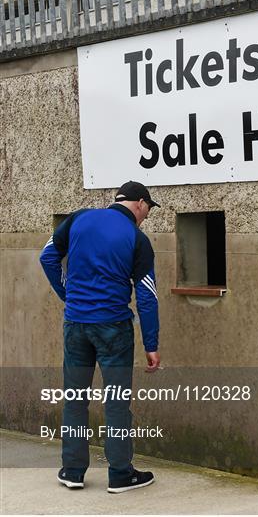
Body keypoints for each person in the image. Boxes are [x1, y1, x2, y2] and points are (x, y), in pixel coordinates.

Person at [40, 181, 161, 494]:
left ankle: (72, 470)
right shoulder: (137, 238)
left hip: (76, 325)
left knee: (75, 398)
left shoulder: (80, 218)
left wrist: (69, 295)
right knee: (117, 401)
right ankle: (121, 474)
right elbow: (147, 296)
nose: (147, 216)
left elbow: (47, 257)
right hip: (113, 328)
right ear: (138, 203)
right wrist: (152, 344)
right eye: (148, 209)